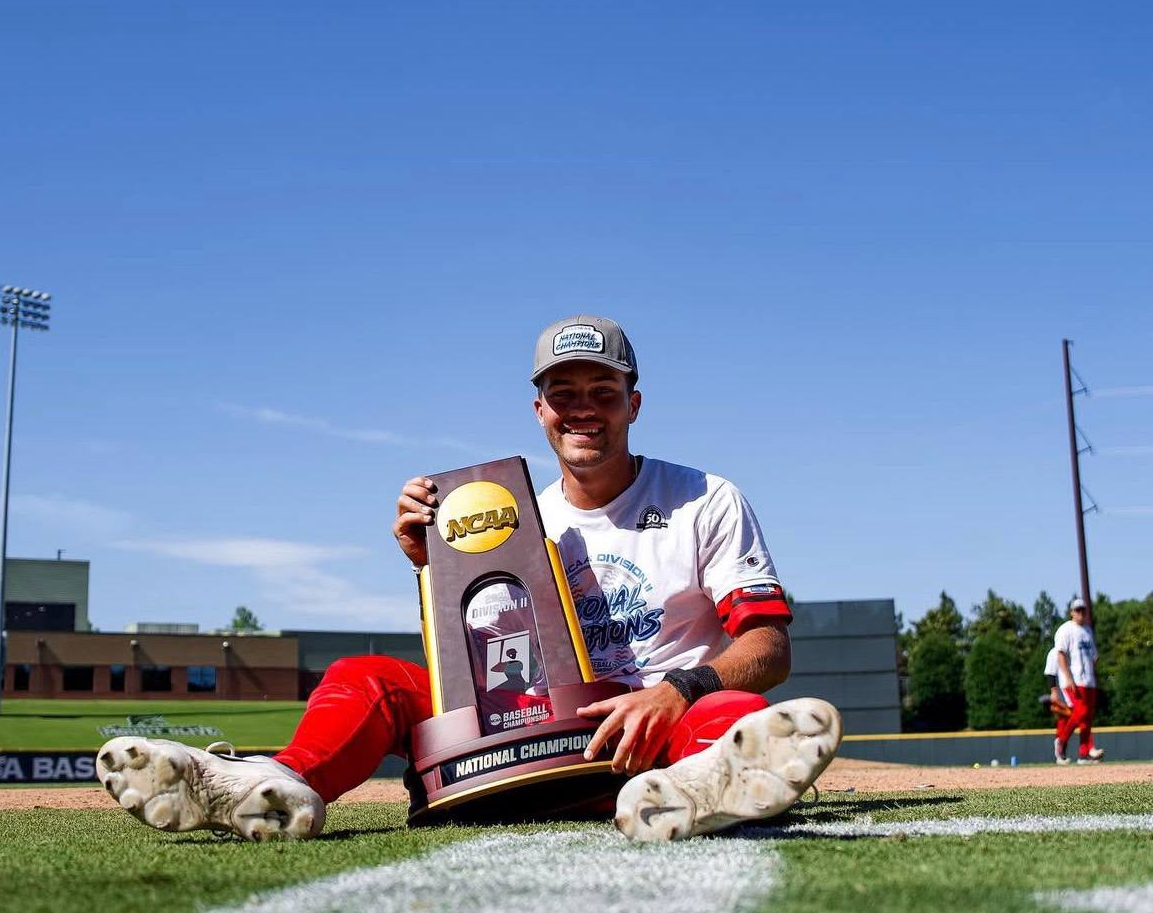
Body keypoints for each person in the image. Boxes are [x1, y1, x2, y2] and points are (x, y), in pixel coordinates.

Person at [96, 314, 842, 842]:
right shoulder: (511, 514)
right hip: (544, 728)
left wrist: (673, 690)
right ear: (539, 409)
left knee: (733, 706)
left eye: (603, 392)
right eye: (564, 393)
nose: (583, 410)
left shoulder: (704, 496)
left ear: (634, 404)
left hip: (659, 726)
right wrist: (434, 565)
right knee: (371, 677)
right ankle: (272, 784)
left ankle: (704, 788)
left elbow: (768, 647)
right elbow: (486, 666)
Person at [1052, 597, 1104, 765]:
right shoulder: (1066, 629)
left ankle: (1084, 753)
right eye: (1077, 610)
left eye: (1083, 610)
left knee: (1087, 717)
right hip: (1074, 680)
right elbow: (1059, 654)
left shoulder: (1088, 630)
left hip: (1089, 681)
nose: (1081, 613)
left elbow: (1095, 656)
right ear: (1071, 612)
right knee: (1080, 712)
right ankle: (1061, 741)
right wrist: (1068, 677)